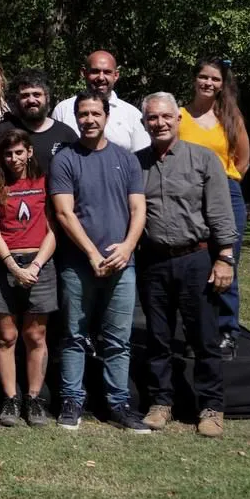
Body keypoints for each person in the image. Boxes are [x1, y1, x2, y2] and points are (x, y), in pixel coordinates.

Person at [135, 93, 236, 437]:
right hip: (153, 262)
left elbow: (221, 212)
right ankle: (161, 402)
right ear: (144, 123)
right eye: (152, 118)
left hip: (196, 258)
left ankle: (211, 407)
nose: (159, 123)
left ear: (178, 119)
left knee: (204, 338)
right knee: (158, 338)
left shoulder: (204, 160)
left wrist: (225, 258)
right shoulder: (137, 164)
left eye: (165, 117)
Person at [50, 90, 149, 432]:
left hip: (122, 263)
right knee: (74, 335)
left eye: (95, 113)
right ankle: (71, 400)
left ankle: (119, 403)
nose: (89, 120)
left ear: (107, 116)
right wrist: (91, 253)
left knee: (118, 338)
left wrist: (127, 247)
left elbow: (138, 209)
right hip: (78, 264)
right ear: (76, 118)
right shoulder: (65, 159)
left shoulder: (127, 159)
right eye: (83, 114)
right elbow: (64, 212)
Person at [0, 129, 57, 428]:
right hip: (3, 265)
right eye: (8, 153)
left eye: (19, 152)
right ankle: (11, 398)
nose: (14, 159)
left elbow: (53, 229)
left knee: (35, 336)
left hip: (40, 263)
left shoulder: (45, 182)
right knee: (6, 336)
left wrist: (36, 265)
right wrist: (13, 266)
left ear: (29, 152)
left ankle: (34, 398)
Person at [179, 57, 250, 356]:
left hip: (226, 195)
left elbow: (243, 160)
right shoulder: (179, 116)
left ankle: (227, 330)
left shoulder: (230, 118)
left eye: (215, 79)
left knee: (226, 261)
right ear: (194, 79)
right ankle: (198, 331)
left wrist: (224, 188)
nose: (208, 83)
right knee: (197, 267)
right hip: (189, 199)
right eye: (203, 77)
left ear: (222, 84)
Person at [49, 51, 149, 151]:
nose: (101, 77)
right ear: (84, 73)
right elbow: (54, 152)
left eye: (107, 72)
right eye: (95, 71)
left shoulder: (132, 114)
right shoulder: (63, 110)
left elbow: (141, 158)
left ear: (116, 75)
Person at [0, 70, 78, 169]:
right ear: (17, 99)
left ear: (47, 98)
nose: (31, 100)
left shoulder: (65, 134)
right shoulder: (2, 132)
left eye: (37, 94)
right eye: (25, 96)